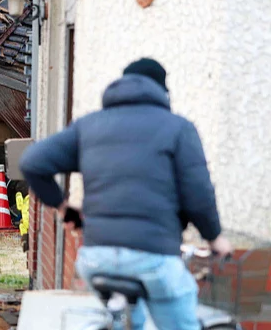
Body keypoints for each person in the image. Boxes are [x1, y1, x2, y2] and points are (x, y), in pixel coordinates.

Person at [20, 58, 233, 330]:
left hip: (95, 258)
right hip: (154, 257)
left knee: (130, 319)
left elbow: (32, 162)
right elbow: (198, 194)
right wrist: (215, 238)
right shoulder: (178, 128)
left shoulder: (89, 126)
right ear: (162, 91)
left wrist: (64, 208)